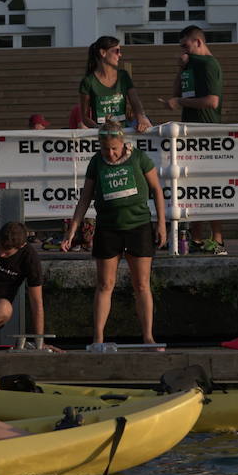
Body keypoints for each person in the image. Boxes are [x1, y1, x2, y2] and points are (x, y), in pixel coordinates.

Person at [61, 120, 167, 345]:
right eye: (105, 149)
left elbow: (157, 190)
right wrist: (72, 230)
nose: (110, 153)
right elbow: (85, 198)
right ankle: (98, 338)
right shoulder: (96, 162)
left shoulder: (139, 158)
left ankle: (148, 337)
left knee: (141, 285)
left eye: (114, 149)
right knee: (105, 284)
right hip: (109, 228)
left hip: (138, 226)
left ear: (122, 144)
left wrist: (161, 224)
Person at [158, 25, 226, 255]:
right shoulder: (190, 64)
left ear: (198, 41)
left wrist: (180, 103)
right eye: (180, 47)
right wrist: (181, 68)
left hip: (206, 130)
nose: (183, 51)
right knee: (192, 186)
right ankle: (195, 237)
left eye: (186, 45)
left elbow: (212, 101)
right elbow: (176, 93)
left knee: (211, 185)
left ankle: (217, 237)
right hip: (190, 131)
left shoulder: (208, 64)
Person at [78, 36, 151, 133]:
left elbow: (135, 102)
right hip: (102, 138)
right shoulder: (88, 82)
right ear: (103, 53)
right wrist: (99, 129)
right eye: (116, 51)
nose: (120, 55)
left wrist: (142, 117)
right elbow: (85, 117)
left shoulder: (123, 76)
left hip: (122, 135)